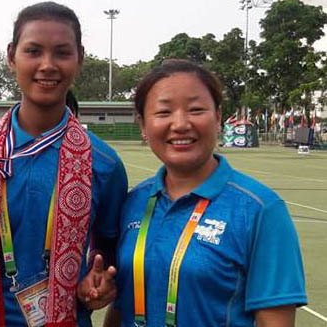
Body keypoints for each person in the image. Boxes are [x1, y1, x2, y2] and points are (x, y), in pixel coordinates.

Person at [0, 1, 127, 327]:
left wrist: (100, 282)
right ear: (11, 56)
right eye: (33, 51)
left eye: (62, 52)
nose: (47, 65)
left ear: (80, 59)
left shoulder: (103, 164)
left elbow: (110, 256)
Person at [104, 59, 307, 327]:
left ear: (218, 117)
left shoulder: (260, 210)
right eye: (164, 112)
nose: (180, 124)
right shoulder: (135, 202)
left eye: (196, 110)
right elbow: (123, 306)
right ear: (143, 124)